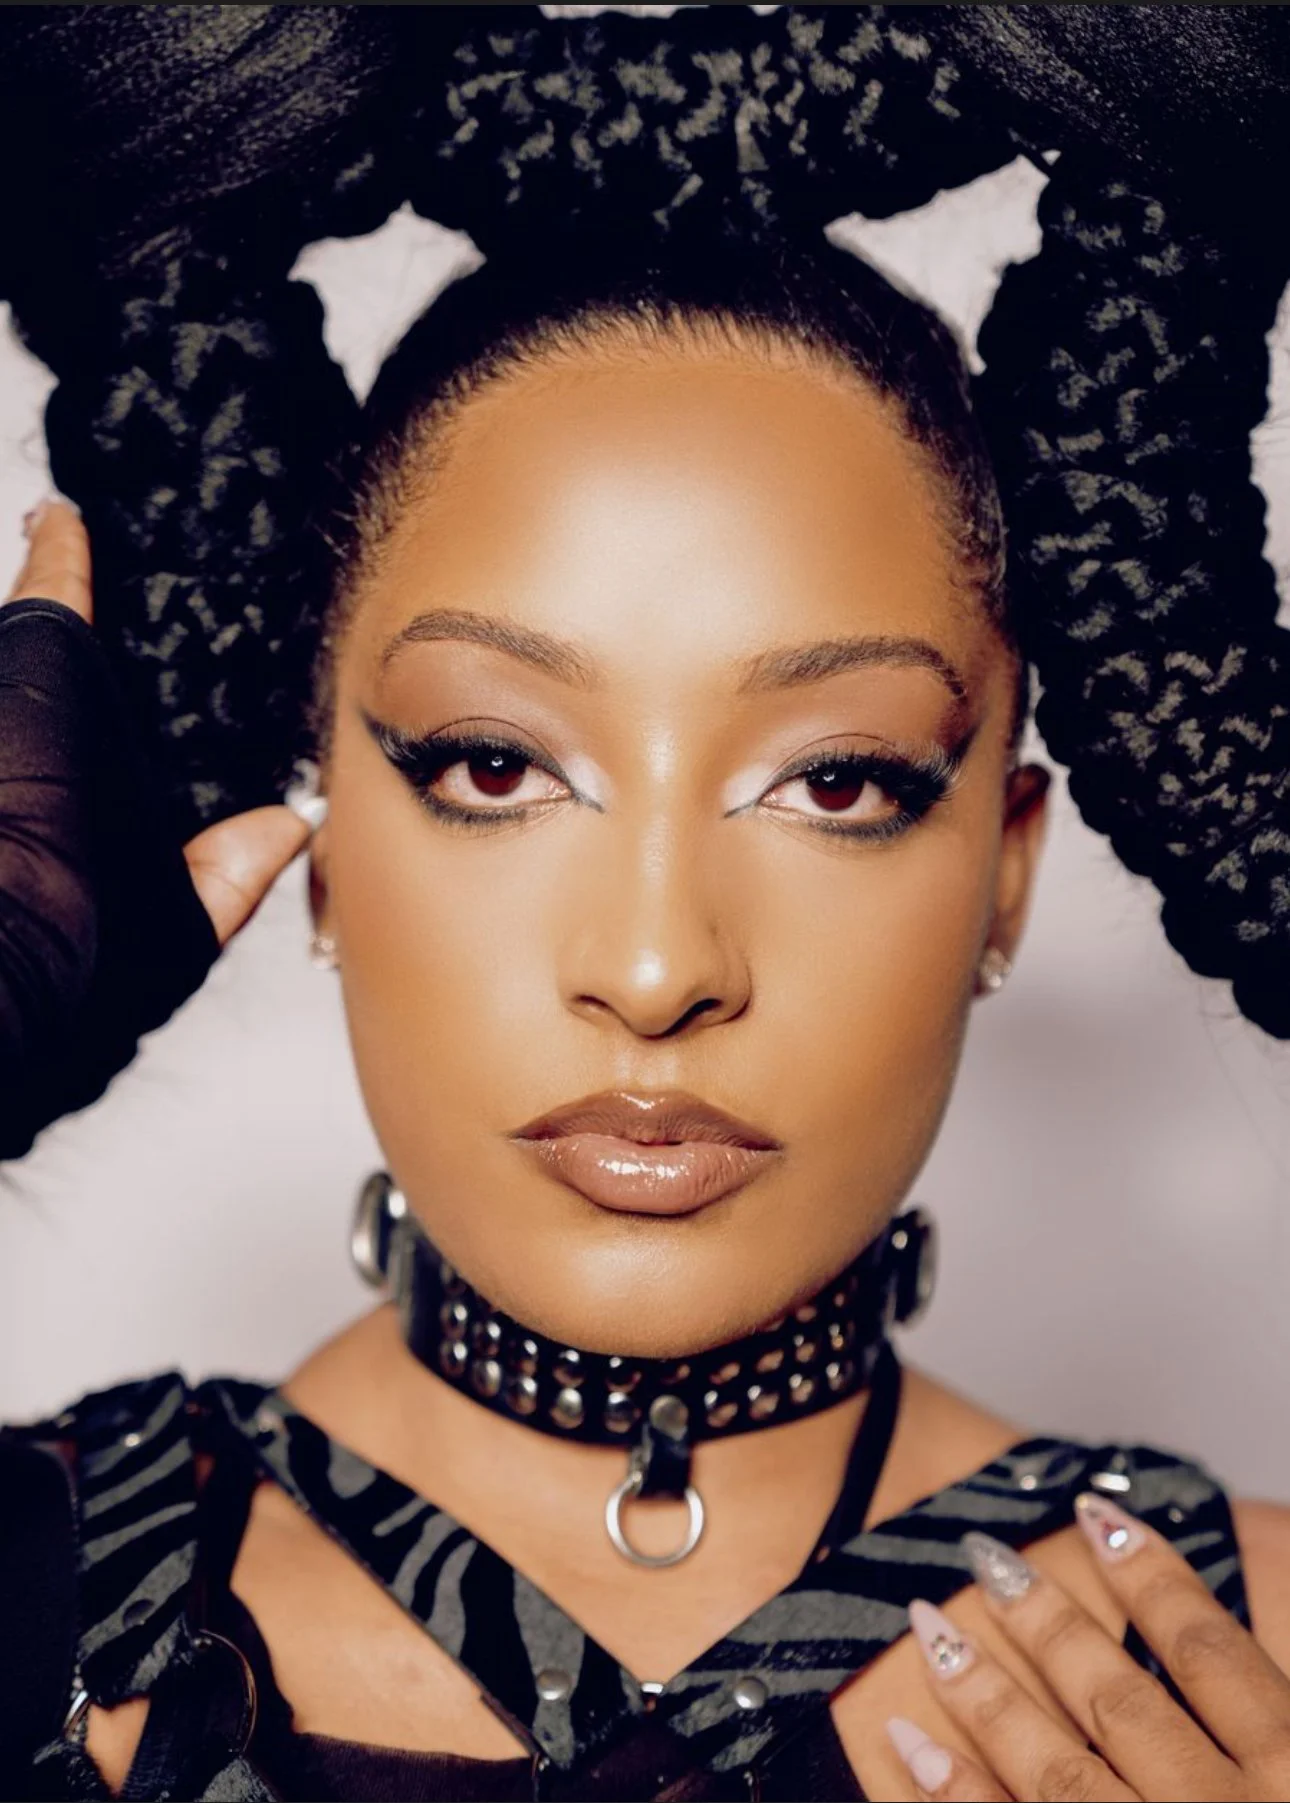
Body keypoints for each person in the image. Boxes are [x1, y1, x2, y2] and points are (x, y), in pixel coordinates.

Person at [3, 220, 1290, 1803]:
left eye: (835, 780)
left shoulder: (1257, 1669)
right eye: (494, 765)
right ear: (324, 840)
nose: (660, 965)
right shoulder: (34, 1582)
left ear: (1003, 879)